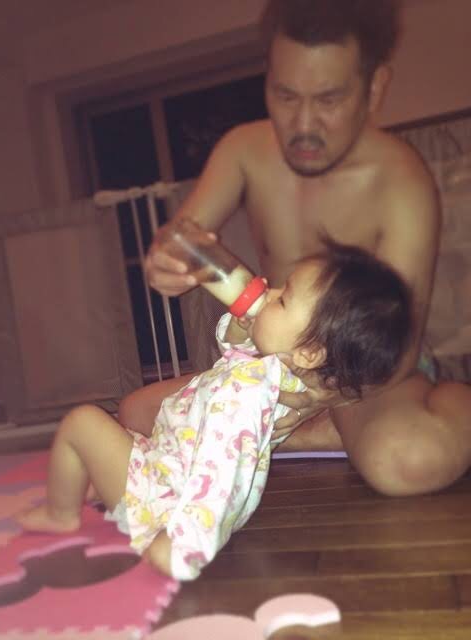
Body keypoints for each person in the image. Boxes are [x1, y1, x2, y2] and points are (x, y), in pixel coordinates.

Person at [121, 0, 471, 497]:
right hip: (273, 365)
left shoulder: (401, 179)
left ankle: (452, 400)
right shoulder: (243, 149)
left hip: (363, 375)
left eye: (328, 99)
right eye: (286, 95)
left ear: (374, 88)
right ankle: (312, 434)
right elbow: (181, 238)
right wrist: (166, 264)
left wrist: (319, 396)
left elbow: (401, 345)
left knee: (407, 461)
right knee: (136, 414)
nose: (303, 124)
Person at [17, 238, 411, 580]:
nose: (269, 292)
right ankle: (95, 486)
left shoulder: (246, 394)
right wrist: (243, 324)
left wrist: (186, 546)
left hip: (171, 498)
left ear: (309, 353)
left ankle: (61, 513)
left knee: (83, 421)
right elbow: (234, 352)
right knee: (118, 437)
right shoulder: (274, 369)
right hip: (169, 462)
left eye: (283, 299)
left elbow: (221, 469)